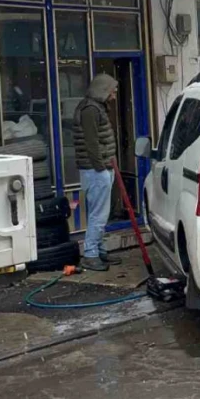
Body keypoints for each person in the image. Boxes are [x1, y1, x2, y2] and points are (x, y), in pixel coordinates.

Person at [73, 74, 121, 271]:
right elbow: (92, 143)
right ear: (103, 90)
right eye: (113, 90)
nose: (115, 94)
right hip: (96, 170)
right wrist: (101, 167)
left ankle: (99, 250)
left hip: (100, 168)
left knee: (101, 213)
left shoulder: (96, 107)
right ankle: (91, 254)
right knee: (98, 215)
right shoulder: (91, 110)